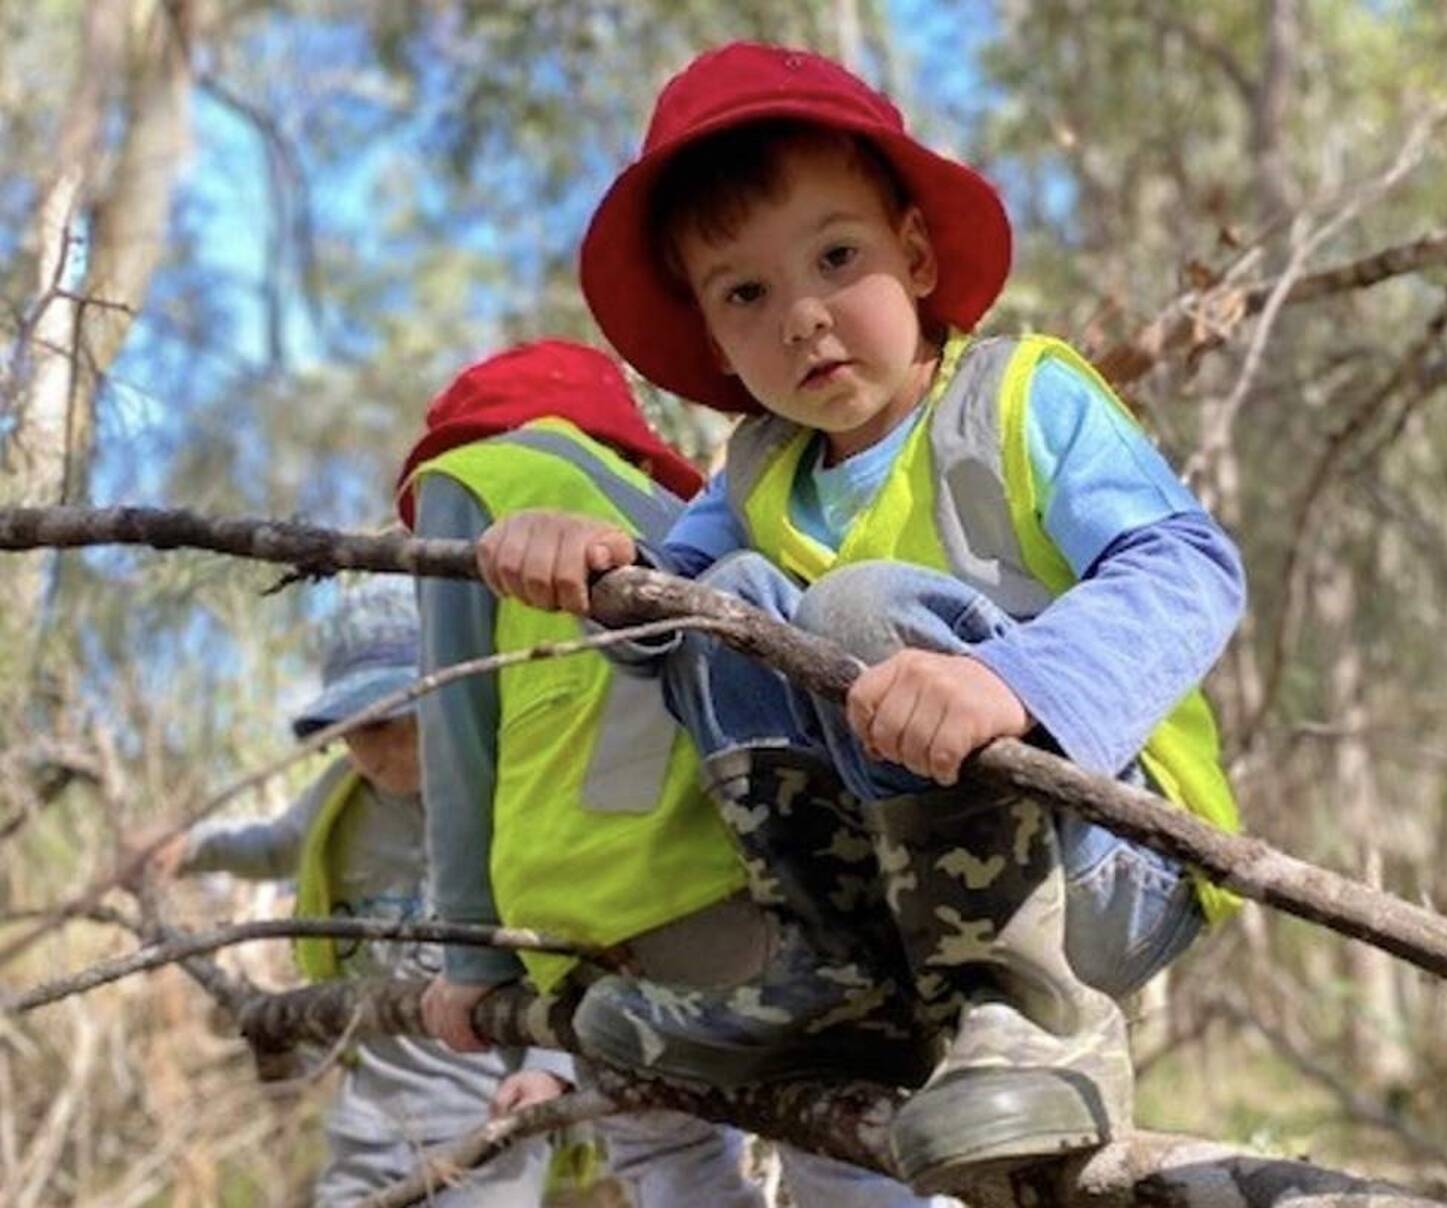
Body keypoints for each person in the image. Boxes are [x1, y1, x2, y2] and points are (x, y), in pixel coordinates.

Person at [476, 42, 1249, 1195]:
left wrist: (1021, 684)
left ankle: (1042, 1028)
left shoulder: (1024, 393)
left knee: (858, 605)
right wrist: (585, 560)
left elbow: (1190, 566)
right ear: (711, 332)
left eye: (837, 257)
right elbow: (657, 616)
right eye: (747, 292)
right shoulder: (754, 475)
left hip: (1106, 867)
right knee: (724, 603)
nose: (805, 318)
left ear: (918, 254)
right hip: (893, 916)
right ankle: (833, 985)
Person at [400, 340, 943, 1207]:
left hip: (608, 905)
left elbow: (456, 726)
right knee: (842, 1148)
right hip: (784, 887)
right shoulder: (686, 505)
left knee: (668, 1162)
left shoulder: (470, 479)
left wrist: (471, 952)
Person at [152, 579, 561, 1205]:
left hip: (492, 1115)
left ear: (449, 705)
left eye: (396, 720)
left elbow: (566, 956)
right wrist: (192, 848)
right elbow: (272, 845)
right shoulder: (338, 799)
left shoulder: (507, 801)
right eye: (353, 727)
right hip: (370, 1118)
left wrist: (549, 1072)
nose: (373, 748)